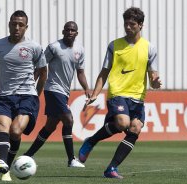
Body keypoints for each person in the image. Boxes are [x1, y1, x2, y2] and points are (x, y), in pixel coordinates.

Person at [78, 7, 162, 179]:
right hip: (118, 93)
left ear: (141, 26)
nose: (128, 27)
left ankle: (111, 168)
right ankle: (92, 141)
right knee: (123, 123)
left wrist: (155, 81)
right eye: (126, 23)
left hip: (138, 97)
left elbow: (153, 74)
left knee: (135, 128)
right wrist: (95, 94)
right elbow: (104, 73)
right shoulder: (114, 45)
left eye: (132, 24)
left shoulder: (149, 48)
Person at [0, 10, 47, 181]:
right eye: (14, 24)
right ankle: (2, 163)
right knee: (2, 127)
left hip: (27, 95)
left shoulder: (34, 47)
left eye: (21, 25)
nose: (17, 27)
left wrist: (37, 95)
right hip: (5, 96)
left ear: (26, 27)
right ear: (9, 24)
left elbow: (43, 72)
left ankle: (5, 164)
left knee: (15, 131)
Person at [23, 21, 90, 167]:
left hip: (64, 92)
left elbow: (80, 72)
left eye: (73, 30)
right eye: (67, 30)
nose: (70, 32)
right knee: (68, 119)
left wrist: (86, 89)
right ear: (63, 31)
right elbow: (40, 66)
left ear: (76, 33)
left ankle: (27, 155)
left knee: (50, 126)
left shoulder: (80, 50)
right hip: (52, 89)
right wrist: (31, 85)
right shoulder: (54, 47)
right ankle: (71, 159)